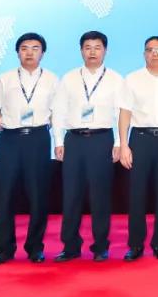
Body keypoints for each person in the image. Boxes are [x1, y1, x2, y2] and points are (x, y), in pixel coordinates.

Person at [0, 32, 59, 265]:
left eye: (35, 48)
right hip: (10, 140)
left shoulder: (52, 79)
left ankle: (35, 248)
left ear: (43, 53)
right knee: (5, 195)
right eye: (25, 48)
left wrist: (52, 133)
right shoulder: (6, 78)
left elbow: (57, 111)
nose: (30, 52)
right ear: (18, 52)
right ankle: (5, 249)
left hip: (38, 139)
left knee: (38, 195)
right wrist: (4, 127)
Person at [52, 31, 123, 262]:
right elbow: (59, 111)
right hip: (74, 141)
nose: (92, 52)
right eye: (88, 47)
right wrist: (59, 141)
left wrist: (119, 143)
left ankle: (100, 246)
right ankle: (70, 246)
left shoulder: (115, 79)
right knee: (71, 194)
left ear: (106, 51)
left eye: (97, 47)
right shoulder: (69, 78)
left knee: (100, 195)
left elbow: (120, 113)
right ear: (81, 50)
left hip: (102, 140)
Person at [118, 36, 158, 261]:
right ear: (144, 53)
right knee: (137, 194)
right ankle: (135, 245)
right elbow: (125, 113)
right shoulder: (132, 79)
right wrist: (123, 144)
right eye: (150, 50)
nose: (155, 54)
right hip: (140, 139)